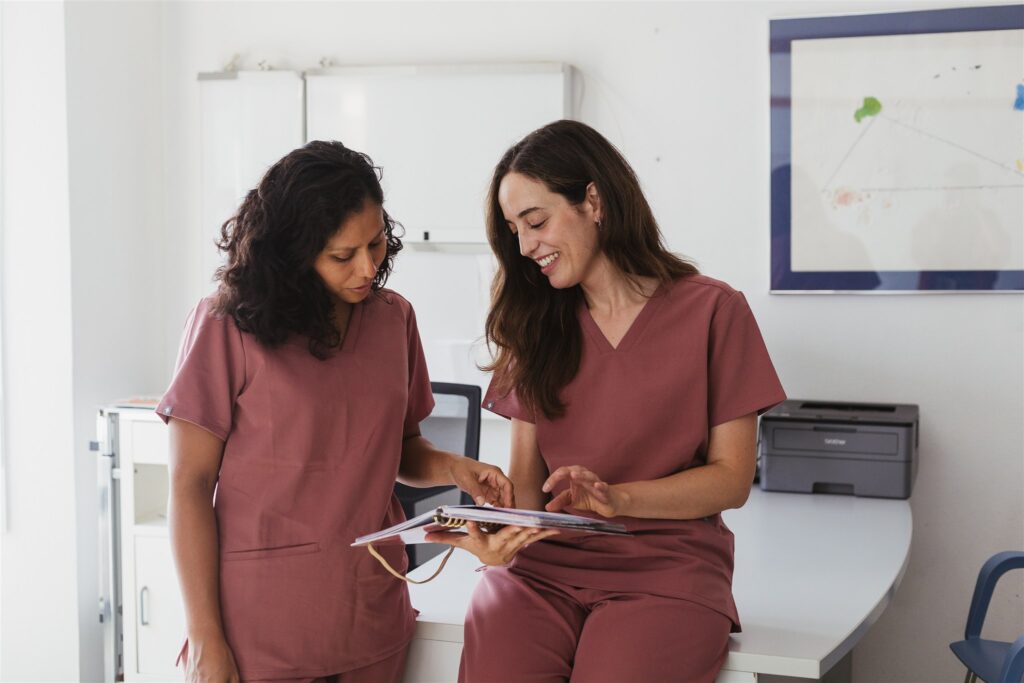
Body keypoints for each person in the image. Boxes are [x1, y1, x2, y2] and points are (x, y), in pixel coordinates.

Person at [158, 140, 528, 683]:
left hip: (369, 616)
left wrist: (455, 469)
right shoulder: (225, 324)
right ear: (292, 251)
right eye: (341, 255)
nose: (367, 267)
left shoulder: (393, 320)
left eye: (376, 243)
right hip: (257, 628)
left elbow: (400, 449)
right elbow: (189, 486)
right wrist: (206, 636)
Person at [443, 120, 787, 683]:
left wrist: (616, 498)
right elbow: (529, 488)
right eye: (515, 231)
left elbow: (731, 479)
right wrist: (495, 526)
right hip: (541, 569)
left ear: (594, 201)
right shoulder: (534, 324)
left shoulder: (714, 312)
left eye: (536, 221)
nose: (526, 246)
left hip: (667, 570)